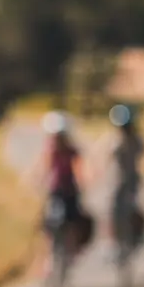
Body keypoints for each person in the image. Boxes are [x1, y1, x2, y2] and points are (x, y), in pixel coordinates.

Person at [34, 111, 93, 276]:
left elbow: (80, 168)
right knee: (49, 224)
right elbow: (43, 168)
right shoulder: (50, 151)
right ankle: (49, 258)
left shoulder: (72, 150)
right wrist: (36, 180)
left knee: (75, 221)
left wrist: (85, 180)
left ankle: (72, 250)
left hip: (71, 192)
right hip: (55, 192)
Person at [105, 104, 144, 265]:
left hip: (132, 182)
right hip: (117, 182)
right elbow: (104, 157)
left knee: (133, 210)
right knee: (112, 212)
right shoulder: (113, 139)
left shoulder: (138, 140)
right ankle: (113, 244)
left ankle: (136, 238)